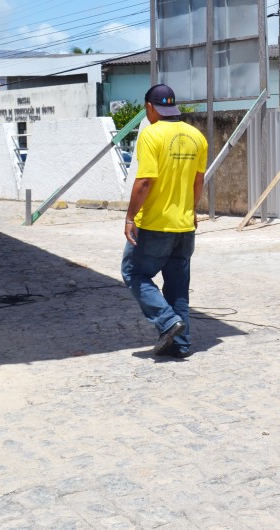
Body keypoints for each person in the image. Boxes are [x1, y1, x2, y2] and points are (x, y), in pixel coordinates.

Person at [122, 84, 208, 359]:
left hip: (155, 225)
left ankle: (168, 322)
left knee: (133, 273)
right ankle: (180, 344)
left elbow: (145, 181)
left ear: (150, 107)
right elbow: (198, 180)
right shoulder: (197, 136)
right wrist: (191, 209)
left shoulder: (151, 135)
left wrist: (129, 216)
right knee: (177, 287)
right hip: (184, 226)